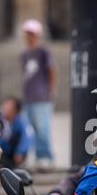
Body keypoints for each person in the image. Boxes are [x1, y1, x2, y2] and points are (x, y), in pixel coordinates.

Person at [21, 19, 57, 171]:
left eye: (32, 34)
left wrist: (51, 90)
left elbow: (52, 70)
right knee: (32, 130)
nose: (30, 36)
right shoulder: (24, 54)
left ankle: (46, 157)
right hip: (29, 97)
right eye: (28, 33)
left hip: (42, 97)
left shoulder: (43, 52)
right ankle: (38, 157)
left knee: (43, 128)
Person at [0, 96, 34, 169]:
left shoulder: (22, 122)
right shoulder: (1, 120)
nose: (5, 107)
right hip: (3, 151)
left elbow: (27, 139)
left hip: (16, 154)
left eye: (8, 105)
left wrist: (19, 152)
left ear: (15, 110)